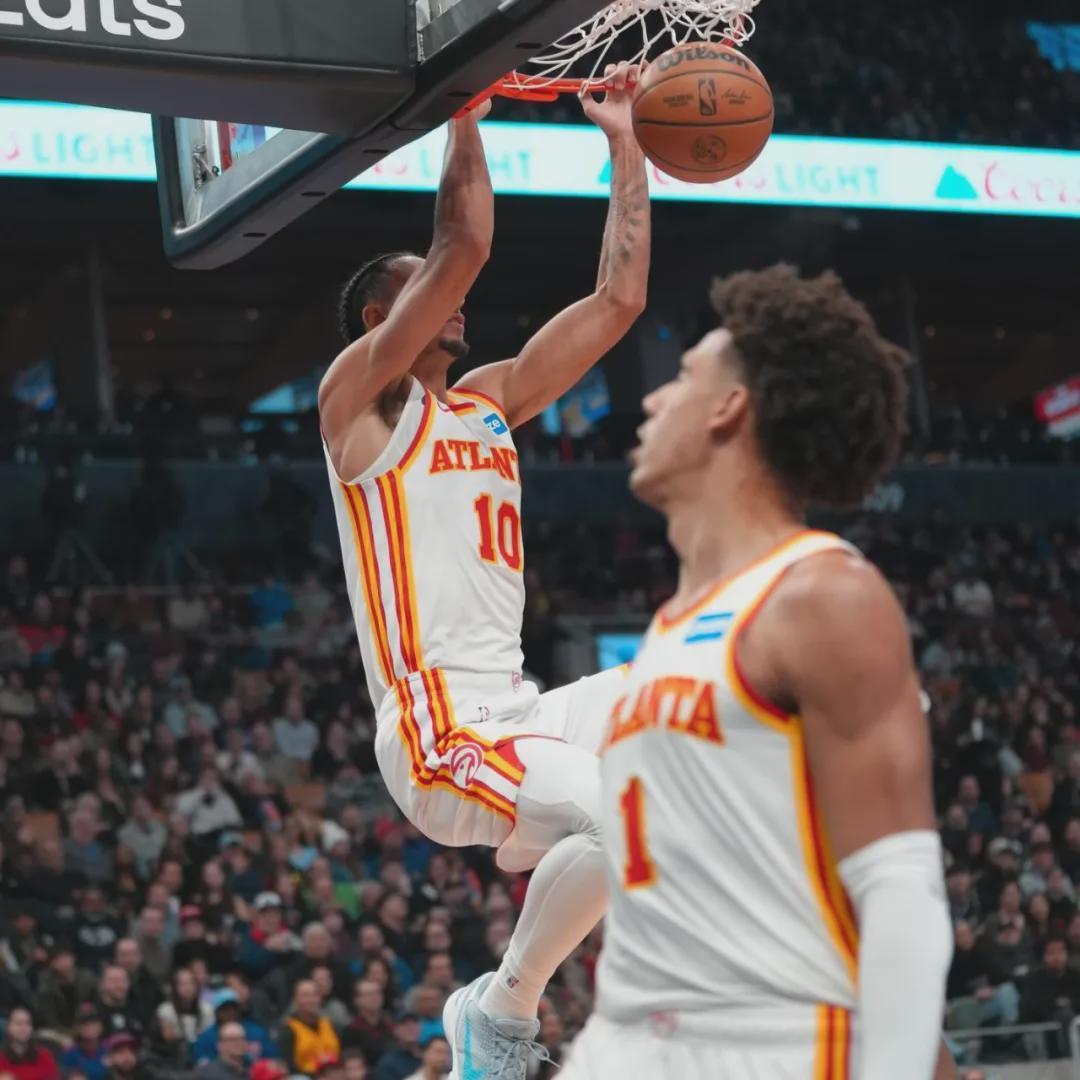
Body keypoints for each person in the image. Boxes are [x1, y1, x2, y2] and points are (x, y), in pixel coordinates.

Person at [319, 65, 649, 1079]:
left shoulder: (488, 404)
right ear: (382, 317)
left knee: (680, 721)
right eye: (422, 286)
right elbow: (463, 244)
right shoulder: (356, 406)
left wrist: (626, 143)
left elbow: (619, 299)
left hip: (517, 709)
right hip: (436, 730)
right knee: (621, 817)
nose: (456, 300)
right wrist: (464, 111)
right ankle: (503, 1015)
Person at [559, 265, 954, 1079]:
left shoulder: (823, 595)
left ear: (730, 407)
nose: (651, 400)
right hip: (627, 1038)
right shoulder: (667, 626)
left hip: (769, 1044)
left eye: (681, 377)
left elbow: (899, 887)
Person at [279, 979, 340, 1077]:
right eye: (305, 996)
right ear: (295, 999)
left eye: (314, 995)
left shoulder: (330, 1025)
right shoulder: (288, 1030)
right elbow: (289, 1066)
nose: (311, 1000)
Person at [0, 1008, 60, 1080]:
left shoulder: (44, 1055)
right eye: (18, 1023)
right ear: (8, 1027)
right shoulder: (1, 1057)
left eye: (27, 1023)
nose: (23, 1028)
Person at [60, 1005, 108, 1080]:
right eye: (84, 1023)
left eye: (93, 1022)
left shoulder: (110, 1048)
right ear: (77, 1028)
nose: (89, 1027)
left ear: (101, 1026)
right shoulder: (69, 1053)